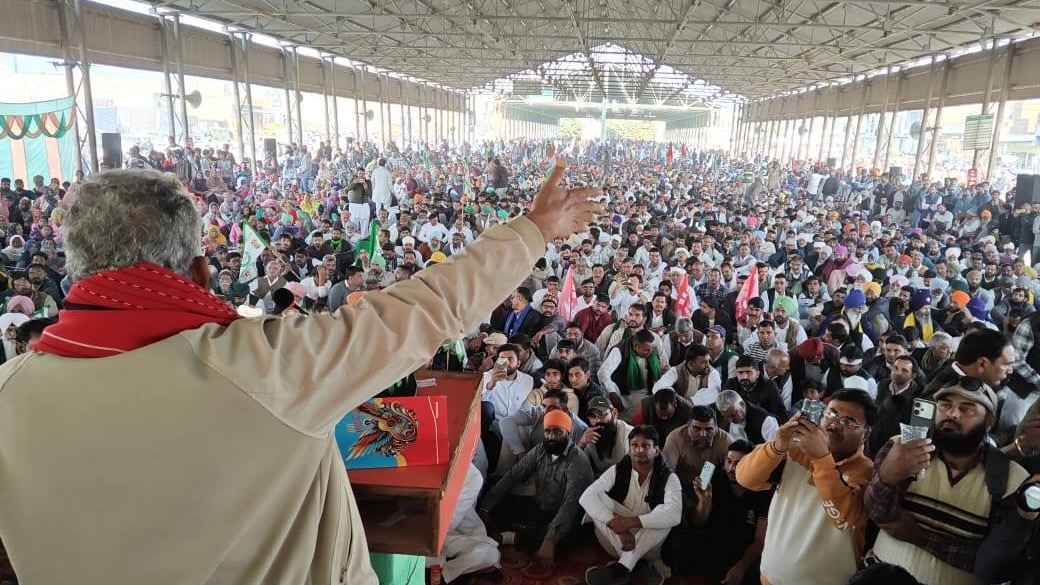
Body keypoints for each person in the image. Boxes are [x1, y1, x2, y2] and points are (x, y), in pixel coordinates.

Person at [0, 163, 601, 585]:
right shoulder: (265, 366)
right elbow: (426, 309)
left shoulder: (10, 395)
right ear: (204, 274)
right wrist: (535, 229)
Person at [865, 381, 1037, 585]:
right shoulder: (901, 447)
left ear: (989, 421)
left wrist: (919, 536)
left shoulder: (1012, 479)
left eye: (967, 408)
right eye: (945, 405)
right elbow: (877, 514)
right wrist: (889, 474)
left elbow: (991, 563)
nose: (952, 414)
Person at [736, 389, 877, 585]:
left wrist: (821, 460)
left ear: (866, 434)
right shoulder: (795, 449)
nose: (834, 425)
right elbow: (745, 479)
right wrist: (777, 445)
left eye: (848, 421)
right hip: (770, 576)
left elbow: (846, 521)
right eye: (831, 414)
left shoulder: (866, 471)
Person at [477, 409, 594, 567]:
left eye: (557, 432)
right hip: (542, 506)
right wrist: (486, 506)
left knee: (569, 537)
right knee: (499, 505)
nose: (551, 436)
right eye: (548, 431)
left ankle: (512, 537)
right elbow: (513, 475)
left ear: (568, 432)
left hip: (569, 517)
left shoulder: (578, 461)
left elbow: (570, 506)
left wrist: (550, 540)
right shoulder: (541, 449)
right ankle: (531, 534)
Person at [579, 425, 682, 585]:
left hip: (648, 542)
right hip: (616, 540)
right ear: (629, 448)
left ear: (656, 450)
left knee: (664, 512)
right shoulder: (618, 470)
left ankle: (620, 568)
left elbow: (675, 515)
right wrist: (617, 526)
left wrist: (629, 523)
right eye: (635, 445)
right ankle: (637, 565)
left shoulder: (669, 477)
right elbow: (585, 497)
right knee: (596, 496)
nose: (639, 450)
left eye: (646, 446)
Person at [668, 439, 770, 585]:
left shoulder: (763, 490)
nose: (731, 468)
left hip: (743, 552)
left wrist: (740, 568)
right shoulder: (716, 479)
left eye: (738, 463)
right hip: (712, 544)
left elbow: (760, 540)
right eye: (729, 461)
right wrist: (704, 501)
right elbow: (698, 522)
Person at [663, 405, 733, 522]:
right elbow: (667, 475)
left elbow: (732, 475)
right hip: (683, 491)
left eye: (709, 429)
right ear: (688, 425)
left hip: (714, 491)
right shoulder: (675, 438)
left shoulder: (726, 441)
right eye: (696, 428)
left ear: (716, 427)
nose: (703, 434)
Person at [578, 395, 634, 476]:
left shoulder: (629, 434)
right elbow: (580, 468)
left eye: (602, 414)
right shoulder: (590, 436)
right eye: (593, 417)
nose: (597, 420)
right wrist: (581, 444)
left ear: (614, 413)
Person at [715, 389, 779, 445]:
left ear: (742, 404)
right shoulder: (716, 415)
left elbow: (775, 449)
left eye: (733, 415)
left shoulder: (766, 420)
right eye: (725, 416)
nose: (730, 420)